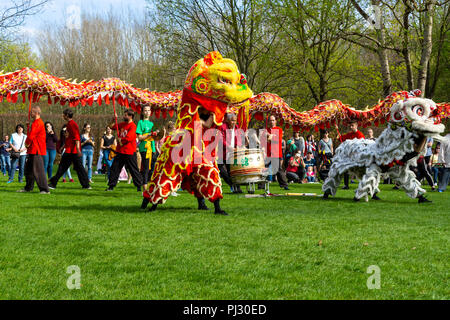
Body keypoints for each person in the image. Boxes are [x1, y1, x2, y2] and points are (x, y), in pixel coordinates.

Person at [48, 109, 91, 190]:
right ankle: (86, 185)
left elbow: (77, 138)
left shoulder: (72, 124)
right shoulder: (69, 124)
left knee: (67, 167)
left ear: (67, 115)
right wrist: (62, 147)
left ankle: (53, 183)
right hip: (70, 150)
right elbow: (69, 138)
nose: (62, 116)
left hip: (73, 151)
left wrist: (78, 150)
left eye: (63, 114)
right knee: (73, 168)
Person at [106, 109, 143, 191]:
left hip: (129, 151)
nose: (124, 116)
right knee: (115, 168)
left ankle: (139, 186)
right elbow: (111, 127)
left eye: (125, 115)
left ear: (130, 116)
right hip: (120, 151)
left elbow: (129, 137)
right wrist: (113, 119)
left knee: (133, 169)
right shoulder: (122, 124)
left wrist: (121, 140)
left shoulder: (133, 126)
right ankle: (111, 186)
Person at [17, 106, 50, 194]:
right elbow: (31, 133)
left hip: (36, 149)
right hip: (33, 149)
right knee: (28, 170)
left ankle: (45, 189)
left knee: (39, 171)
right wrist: (28, 126)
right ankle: (28, 187)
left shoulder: (37, 123)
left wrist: (26, 143)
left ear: (36, 113)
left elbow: (31, 135)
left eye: (32, 112)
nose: (30, 114)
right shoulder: (36, 123)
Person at [335, 121, 365, 189]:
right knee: (346, 169)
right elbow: (341, 138)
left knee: (360, 171)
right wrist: (337, 131)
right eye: (350, 126)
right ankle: (346, 185)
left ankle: (363, 185)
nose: (351, 127)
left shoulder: (360, 135)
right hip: (350, 156)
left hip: (357, 156)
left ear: (356, 126)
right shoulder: (349, 134)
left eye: (352, 126)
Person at [219, 113, 244, 193]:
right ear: (228, 120)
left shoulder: (236, 128)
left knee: (232, 172)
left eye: (235, 121)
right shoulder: (223, 127)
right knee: (221, 170)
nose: (234, 122)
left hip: (232, 153)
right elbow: (221, 139)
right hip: (222, 153)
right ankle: (231, 184)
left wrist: (238, 147)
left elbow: (238, 139)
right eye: (232, 120)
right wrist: (229, 147)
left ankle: (237, 188)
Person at [136, 106, 159, 190]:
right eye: (145, 110)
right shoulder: (140, 123)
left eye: (148, 110)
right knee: (145, 168)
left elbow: (156, 138)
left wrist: (158, 134)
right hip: (144, 148)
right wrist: (148, 134)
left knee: (151, 169)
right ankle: (145, 189)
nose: (147, 112)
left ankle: (150, 188)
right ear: (142, 112)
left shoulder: (152, 124)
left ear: (150, 112)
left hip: (152, 148)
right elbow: (139, 138)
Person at [264, 115, 289, 190]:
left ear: (275, 121)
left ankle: (284, 185)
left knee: (278, 169)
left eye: (273, 120)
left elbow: (278, 140)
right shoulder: (266, 130)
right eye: (270, 120)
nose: (271, 122)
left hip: (276, 152)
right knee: (264, 168)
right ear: (268, 122)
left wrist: (269, 136)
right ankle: (261, 185)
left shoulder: (279, 129)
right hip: (267, 153)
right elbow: (264, 141)